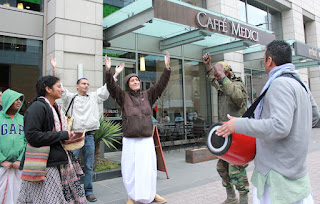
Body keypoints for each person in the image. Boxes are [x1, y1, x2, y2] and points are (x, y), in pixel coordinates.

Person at [216, 40, 320, 204]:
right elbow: (314, 116)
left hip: (277, 177)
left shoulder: (279, 84)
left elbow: (279, 126)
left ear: (269, 60)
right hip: (297, 173)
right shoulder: (300, 83)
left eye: (263, 58)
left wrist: (238, 124)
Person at [50, 56, 122, 202]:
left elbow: (107, 88)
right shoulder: (70, 97)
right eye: (83, 83)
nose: (86, 86)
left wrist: (114, 74)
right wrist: (54, 69)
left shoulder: (94, 97)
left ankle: (88, 191)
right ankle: (71, 191)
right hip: (74, 136)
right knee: (70, 166)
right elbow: (59, 88)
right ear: (77, 86)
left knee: (89, 166)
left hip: (89, 136)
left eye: (88, 84)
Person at [104, 52, 171, 204]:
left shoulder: (148, 95)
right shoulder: (123, 97)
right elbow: (111, 87)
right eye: (132, 80)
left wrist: (167, 68)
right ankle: (132, 196)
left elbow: (161, 85)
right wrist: (109, 72)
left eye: (137, 80)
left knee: (149, 169)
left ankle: (152, 194)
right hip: (130, 140)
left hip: (146, 139)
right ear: (128, 84)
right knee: (130, 170)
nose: (135, 82)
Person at [17, 75, 87, 203]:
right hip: (44, 164)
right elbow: (32, 136)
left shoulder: (55, 108)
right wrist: (63, 135)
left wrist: (69, 137)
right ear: (48, 89)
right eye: (59, 86)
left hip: (54, 161)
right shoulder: (37, 107)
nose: (62, 89)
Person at [202, 53, 249, 204]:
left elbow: (238, 97)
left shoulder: (238, 84)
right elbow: (214, 81)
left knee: (236, 171)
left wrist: (222, 78)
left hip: (238, 136)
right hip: (225, 135)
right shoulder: (222, 84)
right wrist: (209, 66)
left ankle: (243, 200)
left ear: (226, 74)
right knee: (221, 167)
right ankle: (231, 197)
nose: (217, 79)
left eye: (219, 75)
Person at [0, 89, 26, 203]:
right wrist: (2, 160)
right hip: (2, 167)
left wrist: (20, 160)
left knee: (18, 197)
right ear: (7, 100)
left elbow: (27, 141)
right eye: (15, 99)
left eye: (20, 99)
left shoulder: (22, 119)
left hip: (18, 166)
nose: (18, 102)